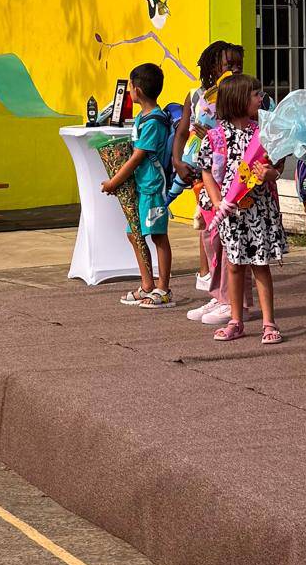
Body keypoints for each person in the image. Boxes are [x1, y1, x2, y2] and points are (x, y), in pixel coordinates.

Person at [207, 72, 284, 343]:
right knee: (234, 265)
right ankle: (235, 319)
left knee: (260, 265)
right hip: (232, 215)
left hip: (259, 212)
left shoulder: (263, 133)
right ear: (239, 99)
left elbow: (278, 166)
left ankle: (269, 322)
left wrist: (271, 174)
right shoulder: (216, 136)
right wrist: (217, 200)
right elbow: (206, 170)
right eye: (255, 94)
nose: (261, 98)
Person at [175, 39, 239, 327]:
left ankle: (231, 300)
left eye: (238, 65)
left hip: (229, 177)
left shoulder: (240, 94)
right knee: (210, 236)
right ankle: (218, 293)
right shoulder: (196, 96)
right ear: (213, 66)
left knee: (226, 240)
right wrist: (177, 161)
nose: (234, 69)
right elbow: (182, 132)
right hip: (204, 175)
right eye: (228, 64)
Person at [102, 63, 177, 308]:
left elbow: (137, 158)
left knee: (158, 235)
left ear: (138, 90)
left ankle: (163, 288)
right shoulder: (142, 118)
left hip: (153, 187)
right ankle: (147, 284)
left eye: (131, 86)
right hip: (141, 186)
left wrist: (114, 181)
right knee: (133, 233)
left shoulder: (154, 122)